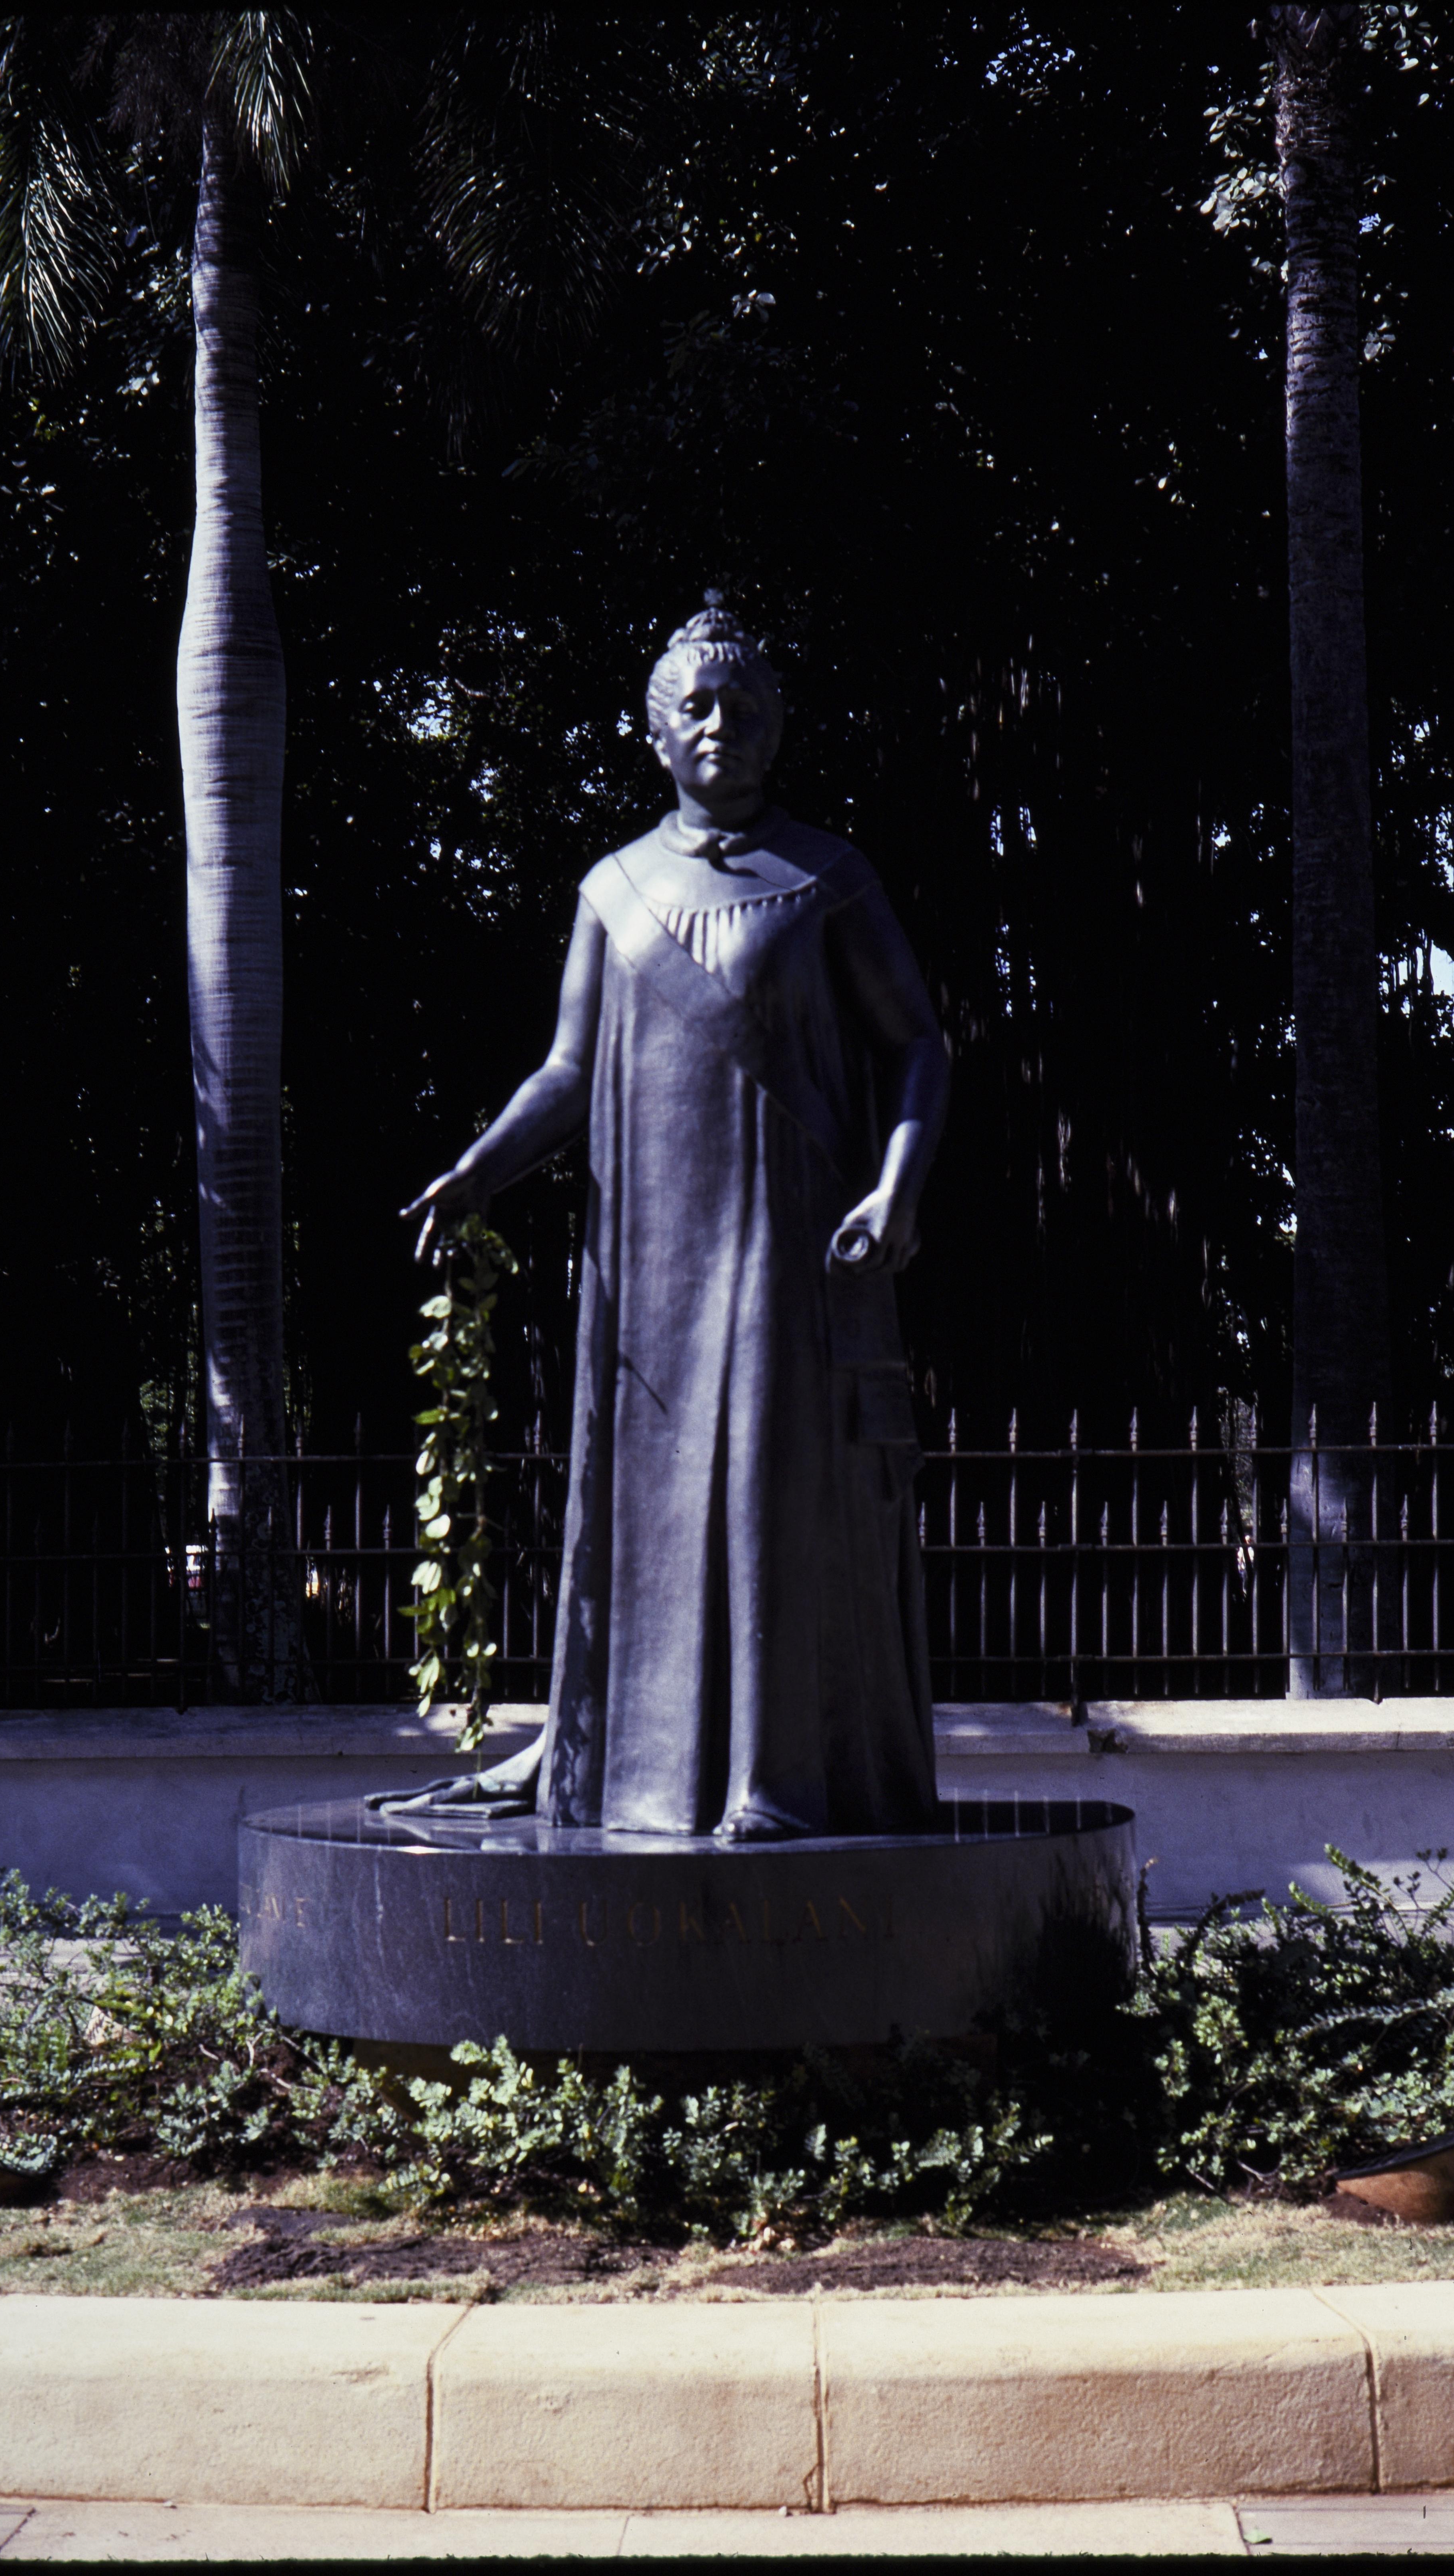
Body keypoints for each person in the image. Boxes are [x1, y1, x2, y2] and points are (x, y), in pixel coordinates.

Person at [402, 601, 948, 1840]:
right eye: (695, 707)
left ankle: (774, 1782)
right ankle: (631, 1779)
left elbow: (918, 1042)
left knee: (771, 1494)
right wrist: (480, 1169)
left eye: (744, 706)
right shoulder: (614, 890)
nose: (720, 725)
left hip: (782, 1247)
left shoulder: (829, 878)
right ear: (655, 736)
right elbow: (566, 1070)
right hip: (647, 1262)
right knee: (644, 1507)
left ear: (777, 730)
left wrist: (897, 1186)